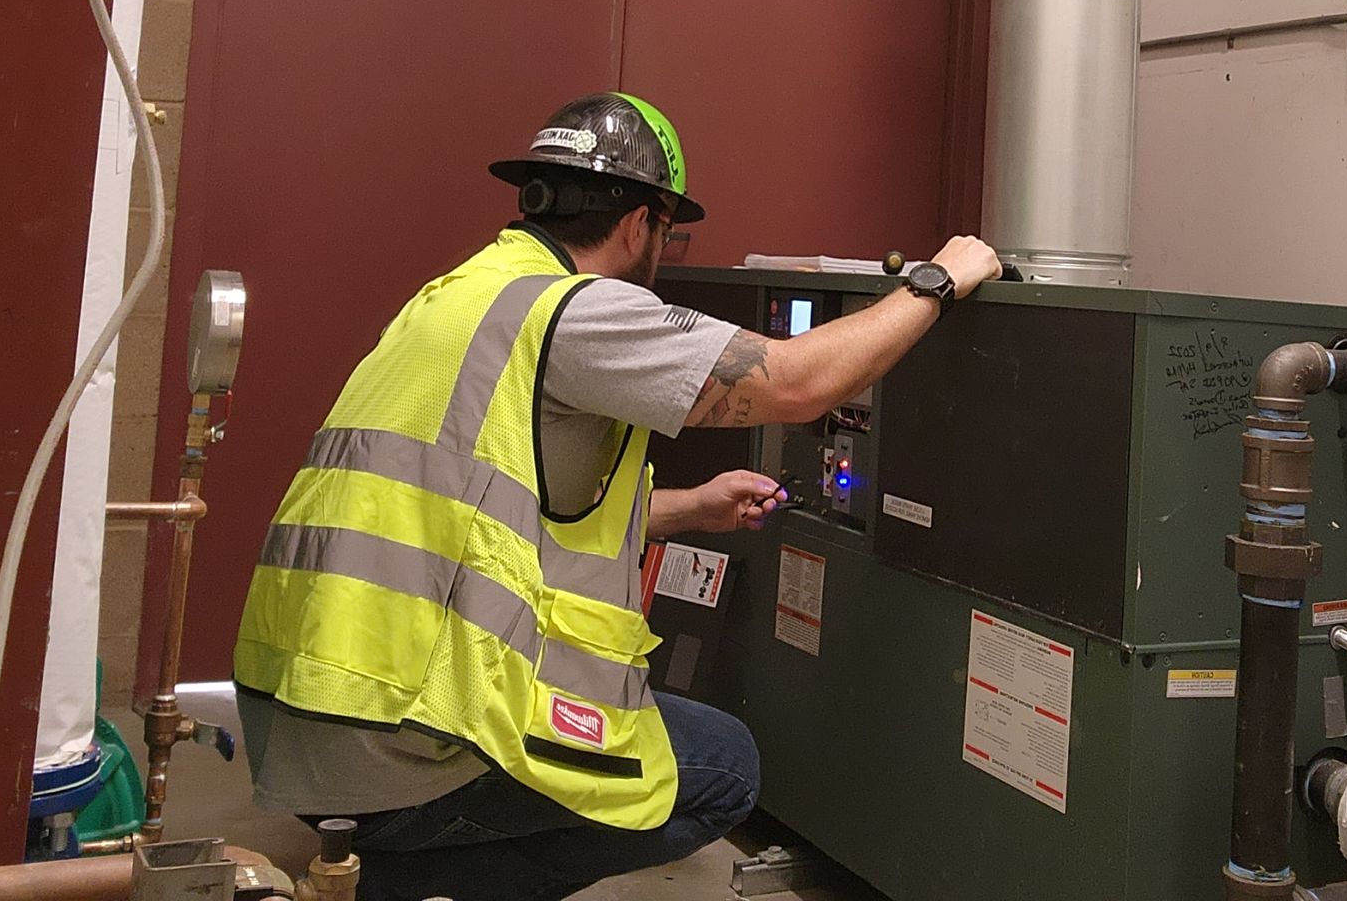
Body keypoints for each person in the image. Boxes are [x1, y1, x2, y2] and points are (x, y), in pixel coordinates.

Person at [234, 93, 1001, 901]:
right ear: (640, 224)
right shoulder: (574, 311)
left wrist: (688, 507)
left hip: (306, 720)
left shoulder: (455, 298)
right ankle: (400, 886)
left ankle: (369, 867)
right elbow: (800, 383)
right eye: (669, 233)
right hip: (408, 745)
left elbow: (484, 509)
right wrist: (938, 280)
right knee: (722, 769)